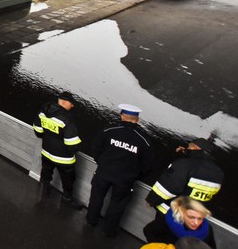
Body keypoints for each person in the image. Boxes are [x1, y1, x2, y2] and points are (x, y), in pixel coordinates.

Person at [86, 104, 155, 237]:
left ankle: (91, 221)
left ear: (122, 116)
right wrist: (136, 175)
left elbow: (95, 148)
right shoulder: (144, 140)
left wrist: (101, 163)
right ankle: (108, 230)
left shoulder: (109, 130)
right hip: (125, 179)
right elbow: (148, 165)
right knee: (117, 205)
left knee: (96, 197)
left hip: (103, 173)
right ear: (137, 120)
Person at [145, 138, 223, 217]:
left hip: (171, 213)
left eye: (189, 147)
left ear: (194, 148)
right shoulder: (219, 172)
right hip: (193, 217)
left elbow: (168, 186)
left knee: (151, 229)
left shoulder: (184, 165)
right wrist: (186, 152)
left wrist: (152, 200)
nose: (187, 148)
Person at [32, 91, 83, 209]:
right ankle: (67, 198)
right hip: (63, 158)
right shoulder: (67, 118)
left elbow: (38, 131)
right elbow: (72, 144)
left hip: (46, 151)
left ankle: (45, 190)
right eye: (72, 103)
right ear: (65, 102)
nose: (73, 106)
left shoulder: (43, 111)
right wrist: (73, 151)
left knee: (46, 171)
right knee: (68, 179)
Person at [143, 196, 217, 249]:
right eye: (191, 217)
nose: (196, 222)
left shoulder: (207, 229)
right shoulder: (167, 222)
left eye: (200, 218)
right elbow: (148, 231)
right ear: (182, 214)